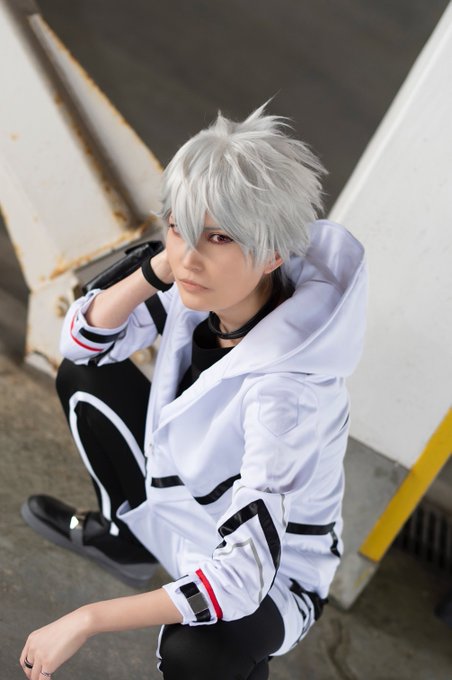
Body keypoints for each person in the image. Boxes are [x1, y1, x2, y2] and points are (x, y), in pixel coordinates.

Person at [20, 103, 367, 679]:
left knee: (197, 654)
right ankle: (127, 540)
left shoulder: (288, 392)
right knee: (87, 375)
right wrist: (159, 266)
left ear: (272, 253)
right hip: (181, 508)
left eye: (219, 236)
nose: (190, 256)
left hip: (273, 577)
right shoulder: (205, 287)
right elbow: (82, 343)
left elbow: (243, 578)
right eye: (178, 225)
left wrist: (87, 618)